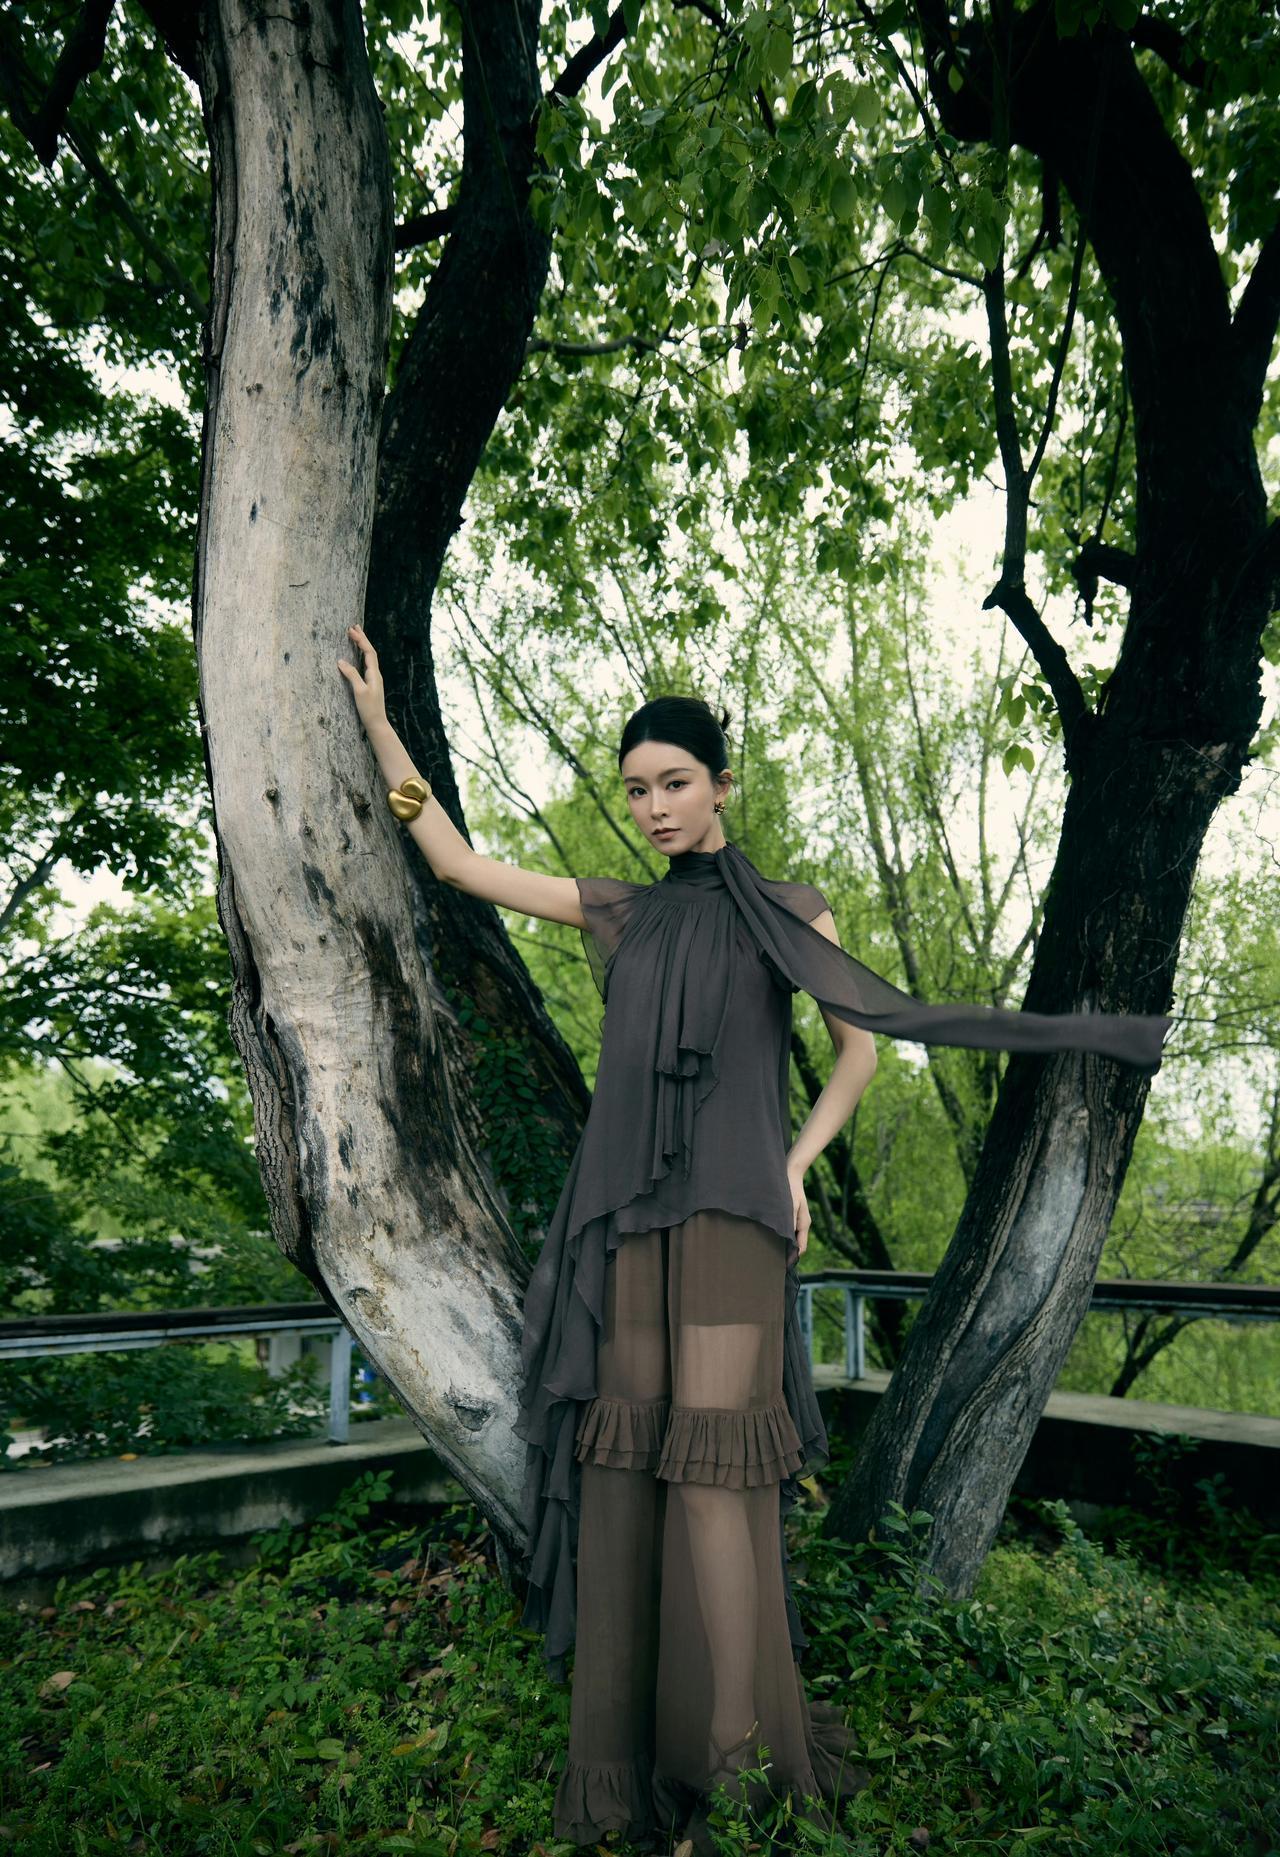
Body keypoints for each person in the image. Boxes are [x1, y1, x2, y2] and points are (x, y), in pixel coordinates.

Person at [338, 626, 1172, 1852]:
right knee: (631, 1480)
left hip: (733, 1222)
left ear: (722, 784)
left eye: (674, 782)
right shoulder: (617, 911)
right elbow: (457, 864)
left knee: (712, 1489)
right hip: (628, 1230)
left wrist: (791, 1165)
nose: (654, 808)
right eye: (635, 789)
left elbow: (860, 1053)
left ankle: (729, 1774)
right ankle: (631, 1762)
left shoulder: (790, 912)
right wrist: (378, 725)